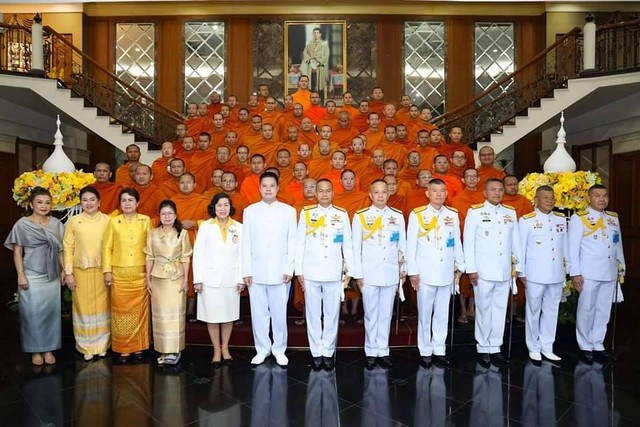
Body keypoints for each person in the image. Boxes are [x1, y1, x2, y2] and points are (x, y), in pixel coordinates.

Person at [295, 179, 354, 370]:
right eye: (321, 191)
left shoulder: (341, 214)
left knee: (332, 313)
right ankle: (316, 352)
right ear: (315, 194)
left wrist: (349, 270)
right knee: (313, 313)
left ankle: (328, 351)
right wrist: (299, 271)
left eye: (328, 190)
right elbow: (299, 243)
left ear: (333, 192)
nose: (324, 194)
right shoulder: (306, 213)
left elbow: (348, 244)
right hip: (311, 271)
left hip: (334, 271)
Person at [241, 171, 297, 367]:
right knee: (259, 313)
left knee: (279, 313)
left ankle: (280, 349)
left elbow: (292, 242)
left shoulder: (289, 211)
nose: (268, 189)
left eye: (271, 185)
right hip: (255, 271)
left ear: (277, 188)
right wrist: (246, 270)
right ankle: (262, 349)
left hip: (280, 271)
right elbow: (245, 243)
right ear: (259, 188)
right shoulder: (250, 211)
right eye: (264, 185)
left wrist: (289, 269)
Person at [464, 178, 522, 367]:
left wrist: (518, 267)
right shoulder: (475, 212)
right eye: (493, 189)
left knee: (499, 310)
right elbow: (469, 243)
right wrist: (471, 268)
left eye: (500, 190)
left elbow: (516, 242)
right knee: (483, 309)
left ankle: (495, 346)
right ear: (485, 192)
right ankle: (483, 347)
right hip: (483, 271)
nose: (497, 193)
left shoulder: (510, 213)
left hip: (504, 270)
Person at [407, 179, 464, 368]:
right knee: (425, 312)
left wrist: (460, 265)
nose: (438, 194)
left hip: (446, 271)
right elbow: (411, 245)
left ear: (446, 193)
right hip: (425, 272)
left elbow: (456, 241)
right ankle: (425, 350)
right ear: (427, 194)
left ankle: (439, 349)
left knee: (442, 313)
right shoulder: (418, 214)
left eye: (442, 191)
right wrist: (413, 271)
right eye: (434, 191)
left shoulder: (452, 215)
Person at [5, 187, 65, 366]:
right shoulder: (22, 224)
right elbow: (17, 252)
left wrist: (64, 270)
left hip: (52, 276)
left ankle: (49, 348)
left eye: (47, 202)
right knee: (32, 314)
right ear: (31, 204)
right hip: (31, 275)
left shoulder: (56, 224)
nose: (44, 206)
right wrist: (21, 275)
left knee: (50, 314)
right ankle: (35, 351)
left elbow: (61, 251)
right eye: (39, 202)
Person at [352, 180, 406, 369]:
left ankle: (383, 350)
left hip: (390, 272)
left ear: (389, 194)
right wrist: (358, 275)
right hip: (369, 274)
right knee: (370, 314)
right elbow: (355, 248)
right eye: (377, 192)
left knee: (385, 314)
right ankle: (370, 351)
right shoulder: (361, 216)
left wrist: (403, 270)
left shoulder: (397, 216)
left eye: (384, 192)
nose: (381, 195)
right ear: (370, 194)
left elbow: (402, 245)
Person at [569, 184, 625, 364]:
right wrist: (575, 273)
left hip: (608, 271)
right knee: (586, 309)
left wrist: (620, 267)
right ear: (589, 198)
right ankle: (585, 345)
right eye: (597, 195)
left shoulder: (613, 219)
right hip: (589, 272)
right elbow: (572, 249)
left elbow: (618, 245)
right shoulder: (580, 218)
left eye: (605, 196)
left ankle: (598, 343)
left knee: (603, 310)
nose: (602, 199)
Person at [194, 193, 245, 367]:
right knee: (213, 317)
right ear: (213, 208)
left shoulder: (239, 227)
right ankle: (216, 350)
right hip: (210, 280)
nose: (223, 209)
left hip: (231, 279)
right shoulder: (205, 227)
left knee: (228, 316)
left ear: (231, 207)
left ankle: (226, 349)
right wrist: (197, 280)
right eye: (219, 205)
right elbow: (198, 255)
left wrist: (241, 279)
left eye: (226, 205)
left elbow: (242, 257)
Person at [102, 188, 153, 363]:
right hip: (119, 273)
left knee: (140, 312)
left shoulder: (146, 221)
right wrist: (107, 271)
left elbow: (151, 248)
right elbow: (106, 247)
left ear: (138, 203)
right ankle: (123, 348)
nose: (127, 203)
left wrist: (150, 272)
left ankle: (139, 346)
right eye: (123, 200)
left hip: (140, 272)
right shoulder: (113, 221)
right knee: (120, 311)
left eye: (131, 200)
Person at [518, 185, 568, 363]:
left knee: (551, 310)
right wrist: (521, 272)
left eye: (552, 197)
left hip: (556, 273)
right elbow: (520, 248)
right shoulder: (527, 220)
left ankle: (547, 346)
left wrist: (566, 269)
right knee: (533, 310)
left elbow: (565, 247)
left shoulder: (561, 220)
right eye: (545, 197)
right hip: (535, 274)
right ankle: (533, 346)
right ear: (536, 200)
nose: (549, 200)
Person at [63, 186, 111, 361]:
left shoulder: (107, 220)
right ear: (80, 202)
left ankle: (102, 345)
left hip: (101, 271)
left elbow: (111, 247)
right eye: (85, 200)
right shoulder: (74, 221)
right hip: (80, 271)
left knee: (102, 307)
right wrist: (68, 272)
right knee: (82, 308)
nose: (89, 203)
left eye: (92, 199)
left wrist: (109, 271)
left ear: (99, 202)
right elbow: (67, 247)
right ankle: (85, 347)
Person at [144, 200, 192, 365]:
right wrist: (147, 278)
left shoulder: (182, 234)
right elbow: (149, 256)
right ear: (159, 216)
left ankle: (175, 350)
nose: (167, 217)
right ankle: (164, 349)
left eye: (170, 214)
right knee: (160, 316)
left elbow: (186, 258)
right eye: (163, 214)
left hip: (176, 278)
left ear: (175, 215)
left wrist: (186, 280)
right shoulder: (152, 233)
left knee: (175, 315)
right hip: (157, 278)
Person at [300, 27, 330, 96]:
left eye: (317, 33)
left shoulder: (324, 44)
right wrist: (310, 59)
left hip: (319, 68)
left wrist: (318, 60)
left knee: (320, 86)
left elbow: (326, 56)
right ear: (312, 34)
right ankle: (311, 101)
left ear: (320, 34)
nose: (316, 34)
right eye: (314, 33)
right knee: (311, 85)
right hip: (311, 67)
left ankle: (321, 102)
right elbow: (305, 53)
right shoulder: (309, 44)